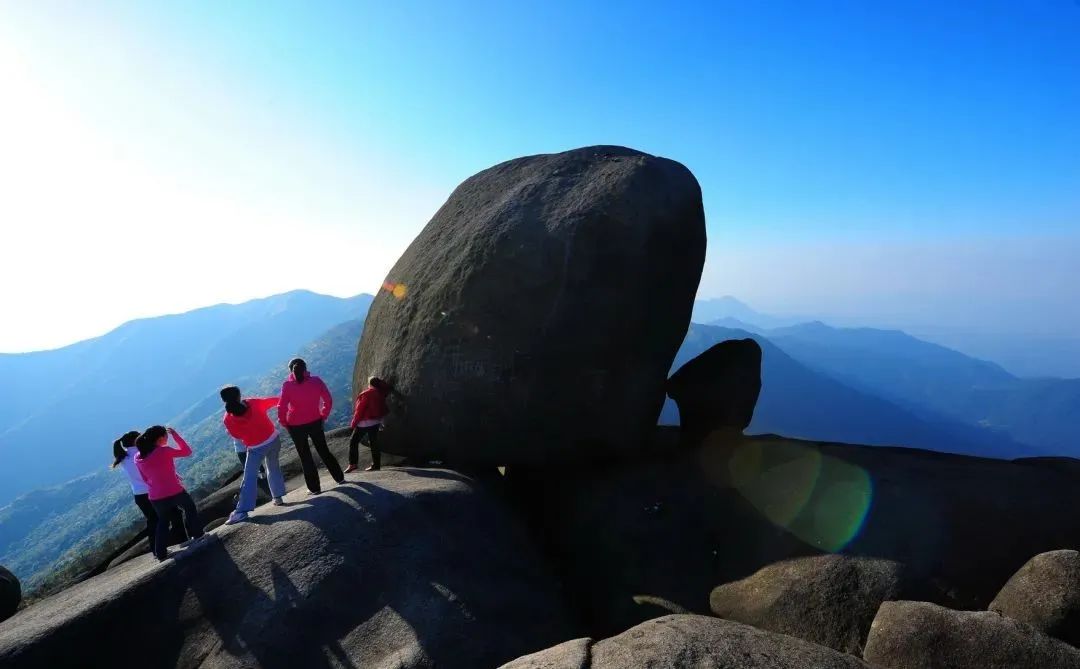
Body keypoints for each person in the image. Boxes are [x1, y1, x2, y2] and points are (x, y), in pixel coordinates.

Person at [134, 426, 205, 560]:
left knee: (163, 521)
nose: (167, 438)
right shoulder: (164, 450)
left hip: (155, 496)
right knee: (189, 508)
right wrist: (175, 435)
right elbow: (187, 451)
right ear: (160, 438)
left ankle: (160, 553)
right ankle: (198, 534)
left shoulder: (138, 457)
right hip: (174, 490)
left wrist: (167, 476)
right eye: (166, 436)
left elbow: (145, 478)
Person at [220, 386, 287, 524]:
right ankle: (278, 497)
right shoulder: (253, 402)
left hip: (256, 448)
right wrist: (288, 398)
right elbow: (273, 401)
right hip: (273, 439)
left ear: (224, 401)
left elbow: (237, 436)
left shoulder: (228, 418)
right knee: (273, 468)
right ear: (239, 395)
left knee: (249, 477)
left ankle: (242, 511)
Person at [111, 431, 187, 550]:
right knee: (175, 514)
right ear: (136, 440)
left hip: (139, 495)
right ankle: (183, 541)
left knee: (153, 521)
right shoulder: (141, 453)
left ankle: (156, 550)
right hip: (154, 491)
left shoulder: (123, 457)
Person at [278, 358, 344, 494]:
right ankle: (339, 478)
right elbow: (328, 400)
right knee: (323, 450)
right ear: (306, 368)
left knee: (305, 456)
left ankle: (314, 488)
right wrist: (323, 416)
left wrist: (284, 423)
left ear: (291, 371)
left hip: (295, 426)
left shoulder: (287, 386)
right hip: (315, 421)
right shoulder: (316, 381)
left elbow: (281, 407)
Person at [347, 377, 389, 472]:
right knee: (374, 443)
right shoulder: (381, 393)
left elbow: (359, 410)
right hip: (376, 422)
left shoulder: (366, 394)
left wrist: (353, 423)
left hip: (364, 423)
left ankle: (353, 464)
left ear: (370, 384)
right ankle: (376, 465)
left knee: (353, 441)